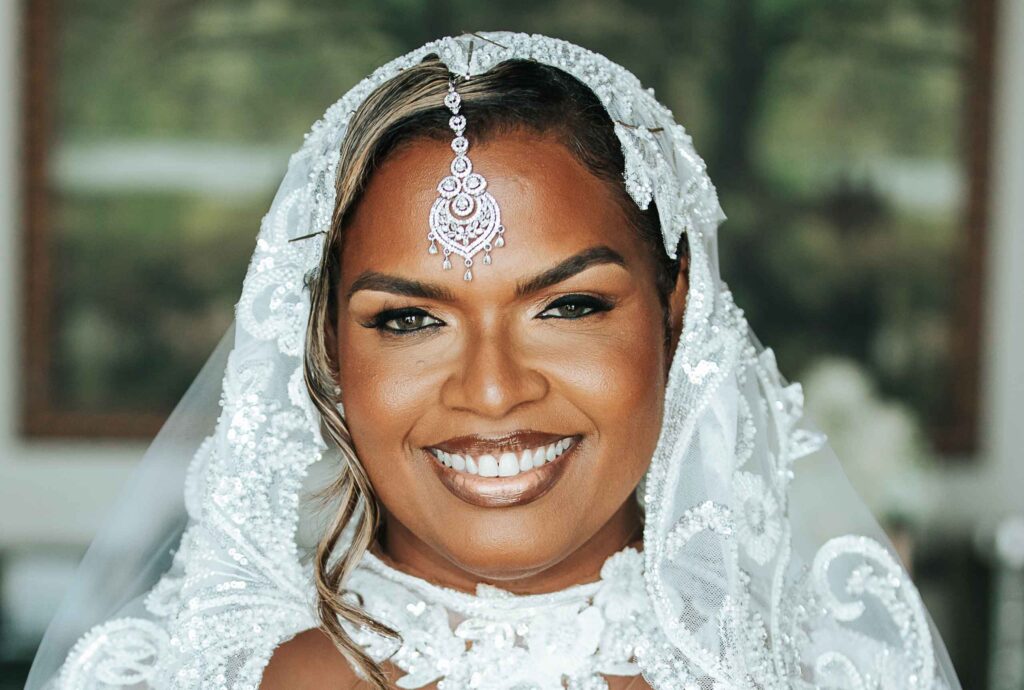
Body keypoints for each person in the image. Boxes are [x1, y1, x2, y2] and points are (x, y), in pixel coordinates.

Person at [27, 32, 962, 690]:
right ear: (325, 349)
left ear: (681, 314)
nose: (492, 390)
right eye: (407, 320)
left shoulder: (834, 671)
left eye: (569, 305)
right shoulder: (180, 680)